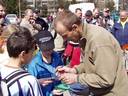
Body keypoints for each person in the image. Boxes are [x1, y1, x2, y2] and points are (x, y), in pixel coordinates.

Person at [54, 10, 128, 96]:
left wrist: (76, 78)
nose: (64, 40)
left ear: (74, 28)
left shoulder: (98, 41)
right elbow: (92, 63)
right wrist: (74, 70)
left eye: (65, 36)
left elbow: (106, 79)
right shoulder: (85, 37)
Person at [0, 26, 43, 96]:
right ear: (23, 54)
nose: (33, 56)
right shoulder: (30, 81)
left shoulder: (1, 71)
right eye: (32, 53)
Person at [27, 30, 64, 96]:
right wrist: (51, 94)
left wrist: (62, 73)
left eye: (50, 48)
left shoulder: (57, 57)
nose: (49, 51)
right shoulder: (33, 64)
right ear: (38, 46)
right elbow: (31, 87)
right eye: (45, 49)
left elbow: (62, 76)